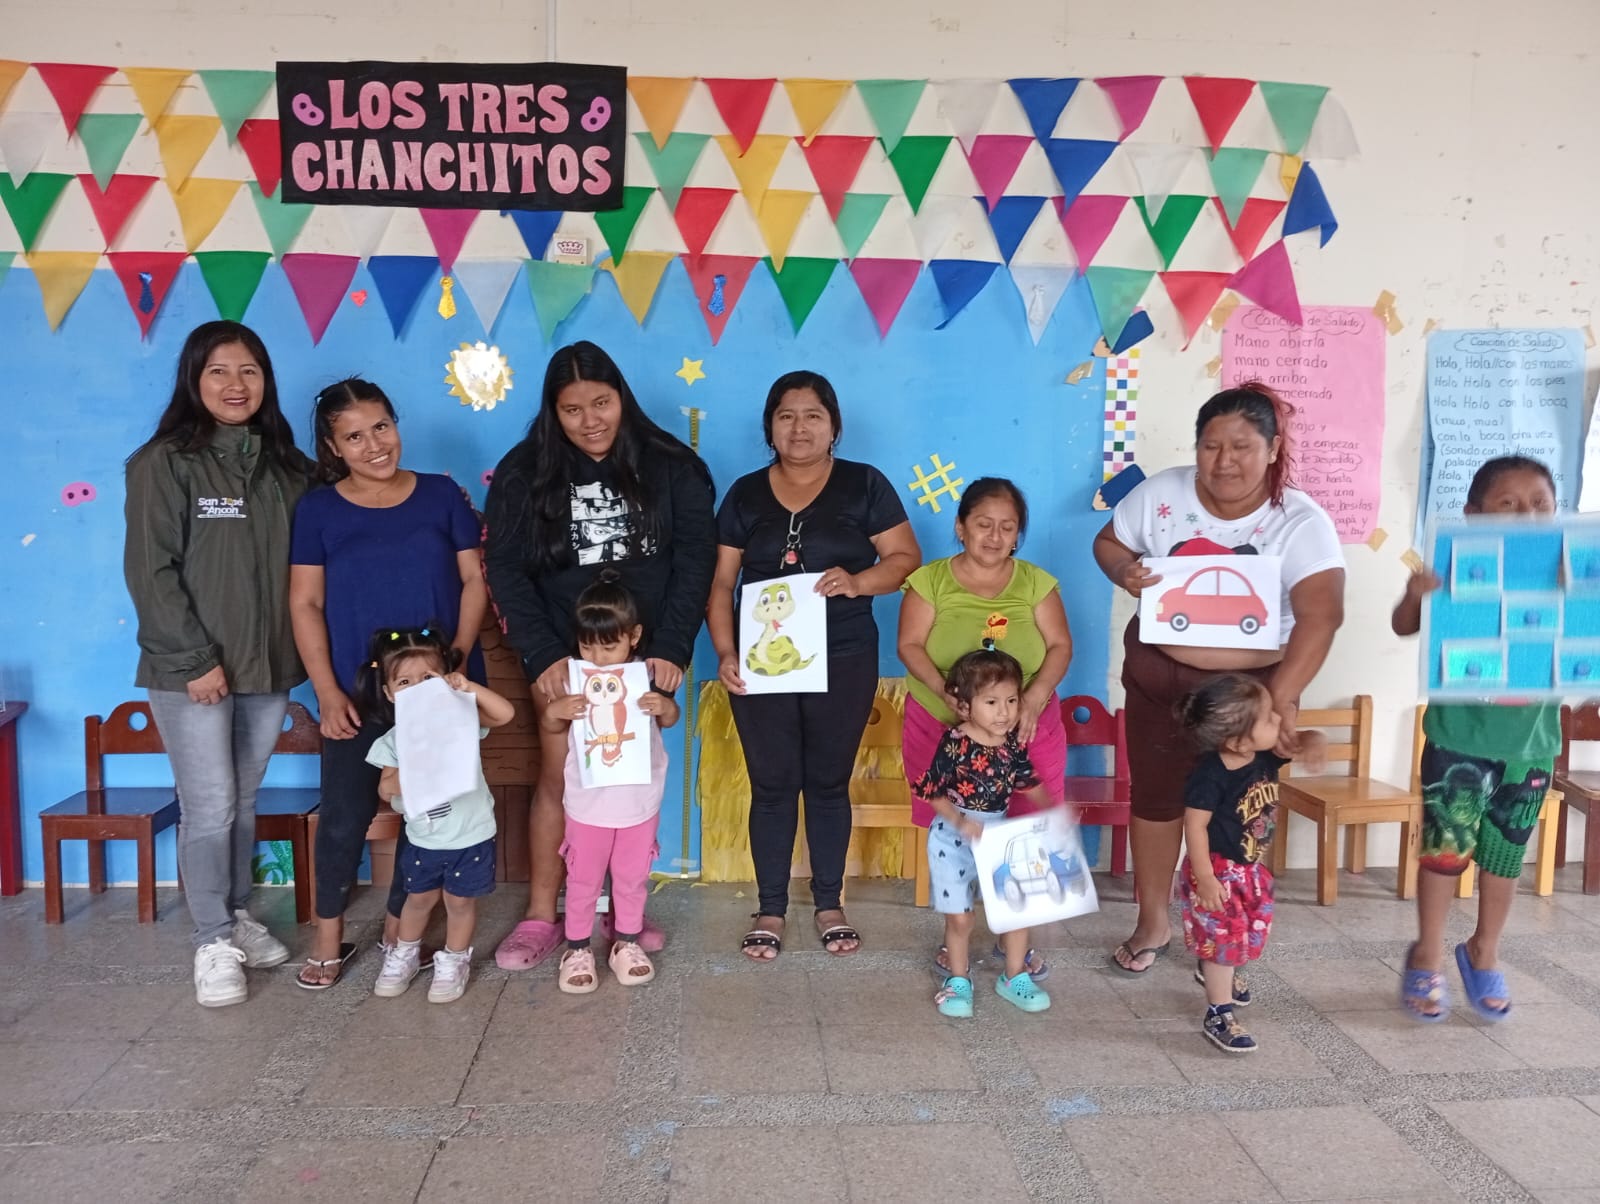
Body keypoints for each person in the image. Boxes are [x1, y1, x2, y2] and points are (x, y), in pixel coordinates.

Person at [1093, 382, 1345, 975]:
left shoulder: (1300, 521)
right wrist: (1124, 570)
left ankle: (1228, 931)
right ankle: (1152, 921)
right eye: (1210, 446)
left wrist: (1278, 701)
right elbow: (1108, 543)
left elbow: (1322, 615)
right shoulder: (1161, 494)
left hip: (1249, 695)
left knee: (1236, 810)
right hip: (1159, 681)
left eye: (1242, 446)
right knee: (1156, 800)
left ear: (1273, 448)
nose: (1224, 461)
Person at [485, 342, 716, 971]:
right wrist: (541, 654)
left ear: (622, 398)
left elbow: (696, 559)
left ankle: (623, 917)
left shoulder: (672, 465)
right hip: (566, 658)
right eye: (572, 409)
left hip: (641, 657)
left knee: (631, 784)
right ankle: (543, 915)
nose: (590, 420)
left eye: (602, 403)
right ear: (552, 412)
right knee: (561, 779)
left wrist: (671, 647)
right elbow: (504, 567)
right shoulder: (524, 472)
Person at [123, 320, 313, 1007]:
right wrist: (193, 659)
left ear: (266, 381)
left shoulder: (287, 468)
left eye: (249, 371)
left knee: (242, 801)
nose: (236, 385)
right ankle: (210, 940)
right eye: (219, 372)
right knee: (208, 806)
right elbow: (151, 572)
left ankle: (235, 914)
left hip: (267, 666)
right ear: (194, 380)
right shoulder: (166, 462)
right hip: (192, 670)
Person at [708, 371, 921, 961]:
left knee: (828, 782)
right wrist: (725, 652)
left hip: (845, 656)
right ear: (770, 426)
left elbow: (905, 558)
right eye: (786, 416)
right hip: (760, 664)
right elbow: (721, 582)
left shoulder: (864, 484)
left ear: (833, 426)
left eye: (812, 416)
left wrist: (858, 582)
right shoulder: (745, 494)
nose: (799, 428)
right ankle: (770, 908)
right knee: (772, 784)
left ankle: (830, 903)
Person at [289, 378, 489, 990]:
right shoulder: (318, 510)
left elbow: (473, 581)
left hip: (440, 693)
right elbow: (305, 603)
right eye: (354, 436)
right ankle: (328, 939)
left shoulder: (440, 495)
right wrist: (326, 691)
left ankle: (400, 931)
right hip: (357, 691)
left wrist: (455, 663)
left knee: (427, 811)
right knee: (344, 813)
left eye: (381, 426)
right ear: (333, 447)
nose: (374, 445)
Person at [1391, 455, 1559, 1022]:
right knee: (1445, 854)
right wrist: (1416, 594)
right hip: (1458, 739)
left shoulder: (1569, 571)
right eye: (1508, 505)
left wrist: (1579, 591)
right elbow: (1405, 626)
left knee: (1505, 858)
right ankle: (1428, 953)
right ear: (1472, 514)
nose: (1526, 516)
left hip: (1531, 746)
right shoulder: (1454, 566)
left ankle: (1484, 950)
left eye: (1540, 505)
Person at [897, 477, 1072, 979]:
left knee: (1025, 830)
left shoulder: (1036, 583)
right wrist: (946, 693)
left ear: (1018, 534)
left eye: (1007, 527)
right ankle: (956, 934)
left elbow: (1060, 646)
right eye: (983, 524)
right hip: (941, 723)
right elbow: (909, 645)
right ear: (961, 527)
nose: (995, 537)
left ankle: (1013, 942)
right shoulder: (930, 581)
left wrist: (1032, 699)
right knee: (956, 829)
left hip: (1027, 725)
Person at [545, 572, 680, 994]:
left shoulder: (646, 676)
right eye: (588, 646)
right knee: (583, 879)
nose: (598, 658)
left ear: (633, 636)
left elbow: (670, 718)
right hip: (588, 804)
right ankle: (577, 949)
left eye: (609, 646)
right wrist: (557, 710)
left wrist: (665, 707)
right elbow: (551, 723)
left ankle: (627, 942)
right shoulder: (572, 679)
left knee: (631, 877)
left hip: (639, 803)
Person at [362, 626, 513, 1003]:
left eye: (427, 679)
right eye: (404, 682)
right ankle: (404, 954)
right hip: (424, 839)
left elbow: (505, 713)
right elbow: (385, 787)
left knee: (460, 903)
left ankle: (455, 960)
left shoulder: (461, 722)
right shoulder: (393, 740)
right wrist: (414, 771)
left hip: (471, 834)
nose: (417, 689)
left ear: (445, 680)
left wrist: (468, 688)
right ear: (389, 693)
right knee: (418, 900)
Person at [1177, 673, 1322, 1052]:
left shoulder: (1265, 755)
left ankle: (1215, 969)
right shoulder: (1209, 774)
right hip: (1217, 872)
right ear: (1238, 741)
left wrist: (1313, 740)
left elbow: (1300, 741)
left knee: (1238, 937)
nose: (1279, 720)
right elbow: (1195, 825)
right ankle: (1218, 1012)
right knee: (1224, 942)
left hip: (1249, 871)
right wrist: (1205, 878)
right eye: (1269, 717)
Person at [915, 645, 1055, 1017]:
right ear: (964, 706)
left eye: (1011, 700)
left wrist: (1054, 811)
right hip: (952, 838)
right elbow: (931, 790)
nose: (1004, 712)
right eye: (991, 702)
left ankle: (1014, 977)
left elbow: (1027, 780)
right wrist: (960, 821)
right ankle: (959, 981)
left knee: (1017, 911)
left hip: (998, 837)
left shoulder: (1012, 743)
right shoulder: (955, 742)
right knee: (961, 917)